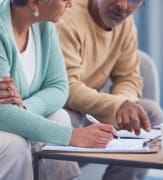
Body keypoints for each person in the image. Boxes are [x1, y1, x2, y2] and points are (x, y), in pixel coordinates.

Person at [0, 0, 116, 180]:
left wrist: (24, 108)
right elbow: (3, 113)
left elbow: (59, 87)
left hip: (16, 112)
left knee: (60, 116)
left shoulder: (44, 25)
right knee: (14, 145)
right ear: (34, 2)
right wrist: (71, 136)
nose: (70, 3)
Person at [57, 0, 163, 179]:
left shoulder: (126, 24)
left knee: (151, 114)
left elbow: (128, 76)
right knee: (65, 119)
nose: (123, 6)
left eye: (134, 1)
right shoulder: (68, 18)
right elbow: (66, 87)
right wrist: (118, 104)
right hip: (66, 106)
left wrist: (124, 106)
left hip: (94, 108)